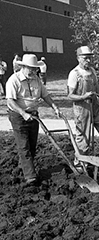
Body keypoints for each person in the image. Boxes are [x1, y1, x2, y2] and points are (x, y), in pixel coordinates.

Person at [6, 54, 61, 185]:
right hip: (18, 116)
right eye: (30, 68)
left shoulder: (36, 80)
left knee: (31, 146)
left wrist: (54, 107)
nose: (33, 71)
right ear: (23, 67)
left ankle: (23, 167)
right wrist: (23, 113)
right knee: (23, 146)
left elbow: (45, 95)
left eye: (34, 68)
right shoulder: (14, 80)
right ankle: (30, 177)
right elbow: (10, 101)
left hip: (34, 115)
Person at [67, 46, 99, 168]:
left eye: (90, 58)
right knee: (84, 138)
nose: (88, 61)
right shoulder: (74, 74)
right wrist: (83, 96)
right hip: (82, 109)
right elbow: (70, 95)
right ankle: (80, 162)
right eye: (86, 58)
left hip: (95, 107)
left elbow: (97, 87)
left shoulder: (92, 71)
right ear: (78, 58)